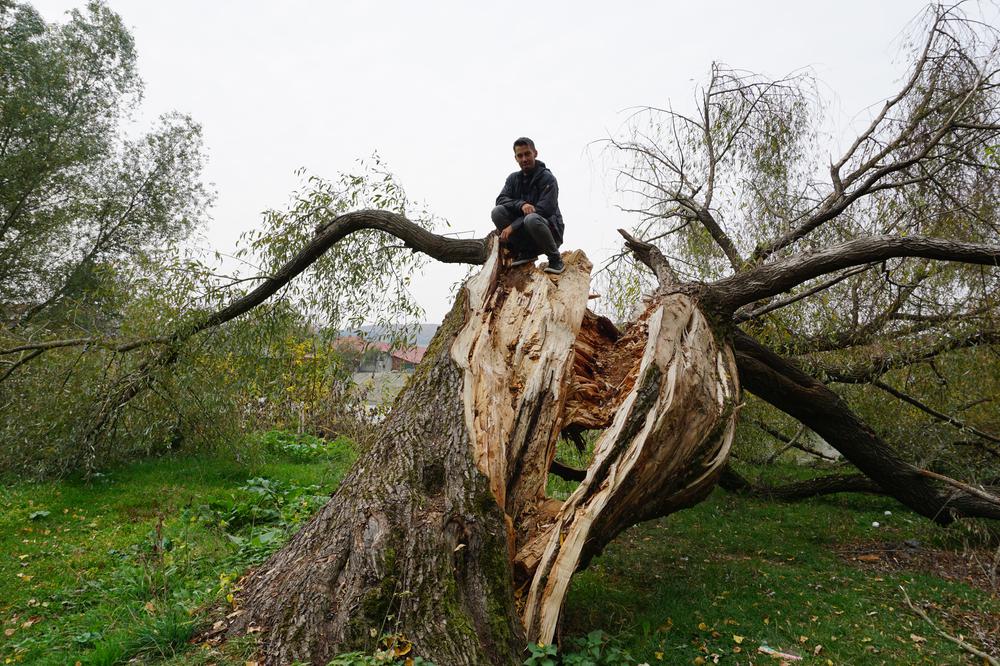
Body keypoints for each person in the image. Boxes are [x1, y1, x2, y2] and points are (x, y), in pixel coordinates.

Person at [491, 137, 565, 274]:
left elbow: (545, 210)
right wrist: (521, 204)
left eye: (527, 154)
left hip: (550, 233)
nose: (524, 159)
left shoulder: (548, 178)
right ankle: (526, 251)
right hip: (527, 234)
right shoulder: (513, 179)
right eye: (520, 155)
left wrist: (512, 226)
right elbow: (501, 199)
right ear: (516, 158)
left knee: (531, 219)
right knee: (497, 212)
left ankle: (556, 259)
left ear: (535, 153)